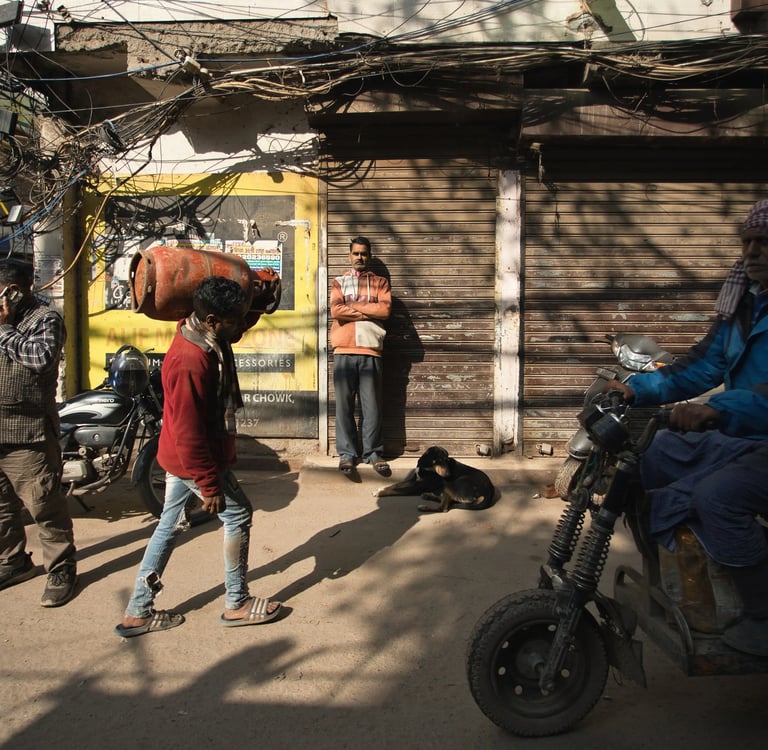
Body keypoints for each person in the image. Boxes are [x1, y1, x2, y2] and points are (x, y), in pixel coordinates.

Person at [607, 198, 768, 655]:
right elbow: (702, 365)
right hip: (742, 434)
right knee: (649, 456)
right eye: (748, 242)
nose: (753, 251)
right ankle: (678, 578)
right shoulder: (744, 307)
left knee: (717, 497)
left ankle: (762, 611)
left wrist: (720, 409)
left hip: (753, 435)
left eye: (764, 242)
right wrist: (636, 389)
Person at [115, 276, 282, 637]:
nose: (240, 327)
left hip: (177, 454)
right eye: (234, 321)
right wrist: (208, 484)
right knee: (238, 513)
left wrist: (260, 299)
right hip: (193, 456)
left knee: (169, 525)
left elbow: (235, 325)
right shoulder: (192, 361)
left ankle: (138, 610)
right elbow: (191, 432)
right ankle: (236, 602)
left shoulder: (200, 332)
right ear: (211, 321)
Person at [0, 258, 77, 607]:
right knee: (1, 509)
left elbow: (42, 357)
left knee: (44, 505)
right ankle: (12, 562)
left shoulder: (45, 319)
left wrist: (3, 331)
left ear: (15, 290)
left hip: (27, 434)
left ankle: (61, 567)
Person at [330, 236, 392, 476]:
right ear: (349, 256)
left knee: (372, 406)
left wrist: (353, 308)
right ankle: (347, 454)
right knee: (344, 407)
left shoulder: (380, 283)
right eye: (355, 253)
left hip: (370, 349)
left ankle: (373, 452)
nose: (359, 257)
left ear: (370, 256)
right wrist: (368, 310)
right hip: (344, 349)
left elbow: (385, 310)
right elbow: (336, 309)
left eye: (364, 253)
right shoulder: (339, 282)